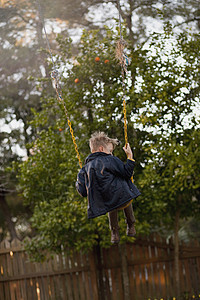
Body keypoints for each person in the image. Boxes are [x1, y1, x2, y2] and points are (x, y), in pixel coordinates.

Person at [76, 132, 141, 243]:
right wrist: (130, 157)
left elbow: (82, 192)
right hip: (122, 199)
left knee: (109, 197)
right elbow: (127, 173)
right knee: (122, 181)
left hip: (105, 204)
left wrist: (79, 182)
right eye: (110, 151)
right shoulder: (110, 159)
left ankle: (114, 232)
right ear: (101, 149)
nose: (111, 154)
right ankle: (131, 225)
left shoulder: (84, 169)